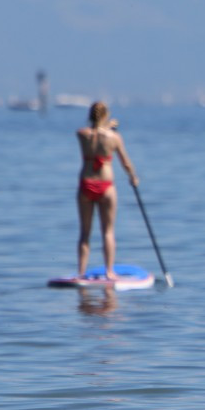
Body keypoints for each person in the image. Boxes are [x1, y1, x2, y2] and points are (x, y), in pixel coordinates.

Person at [75, 101, 138, 279]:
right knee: (108, 231)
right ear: (106, 116)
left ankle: (81, 272)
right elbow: (125, 162)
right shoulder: (114, 138)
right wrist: (133, 177)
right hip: (106, 187)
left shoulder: (81, 135)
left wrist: (104, 125)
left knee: (84, 233)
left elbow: (90, 131)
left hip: (85, 185)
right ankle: (109, 271)